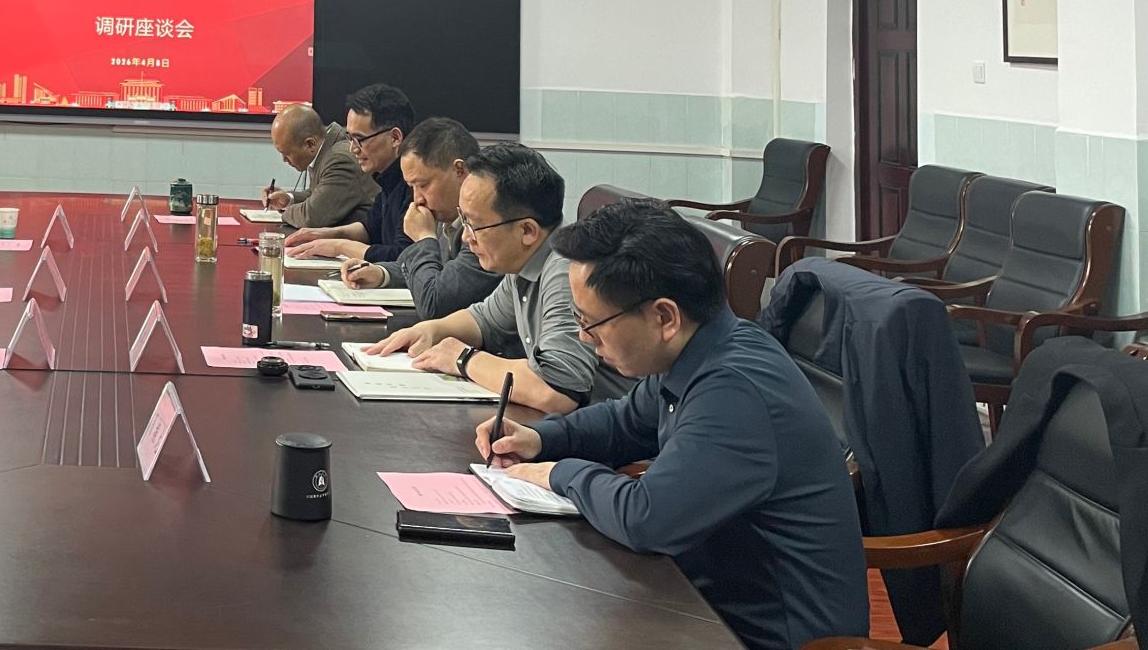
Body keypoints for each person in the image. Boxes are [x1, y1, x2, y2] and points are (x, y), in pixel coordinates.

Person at [474, 198, 867, 650]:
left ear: (664, 317)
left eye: (591, 323)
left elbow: (647, 518)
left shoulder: (733, 391)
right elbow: (624, 422)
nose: (584, 338)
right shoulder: (699, 349)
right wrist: (540, 438)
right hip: (702, 601)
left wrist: (560, 473)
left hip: (765, 636)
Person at [369, 142, 619, 410]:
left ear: (527, 231)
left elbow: (557, 390)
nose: (466, 237)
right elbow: (485, 320)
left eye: (475, 225)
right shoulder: (525, 260)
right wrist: (429, 330)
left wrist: (463, 359)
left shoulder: (565, 271)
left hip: (607, 429)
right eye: (464, 221)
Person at [339, 117, 498, 319]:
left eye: (423, 185)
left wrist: (424, 238)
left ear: (460, 170)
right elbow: (427, 270)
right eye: (411, 187)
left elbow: (435, 303)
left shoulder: (485, 227)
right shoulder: (443, 213)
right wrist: (381, 274)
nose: (417, 199)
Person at [283, 84, 414, 263]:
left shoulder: (414, 184)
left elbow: (403, 257)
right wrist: (324, 234)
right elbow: (369, 228)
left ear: (395, 138)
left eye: (360, 139)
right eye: (350, 138)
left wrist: (339, 246)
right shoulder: (387, 177)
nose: (353, 149)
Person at [263, 103, 375, 230]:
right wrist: (288, 200)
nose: (284, 159)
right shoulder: (326, 150)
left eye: (287, 153)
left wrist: (284, 213)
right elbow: (317, 195)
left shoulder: (339, 160)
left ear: (310, 144)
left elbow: (312, 217)